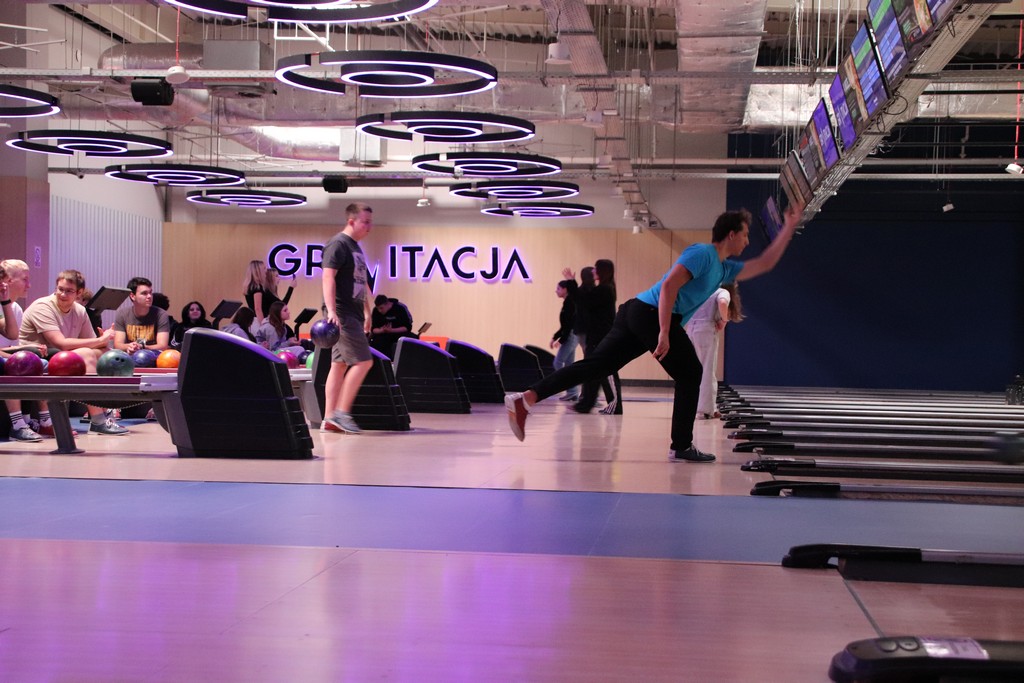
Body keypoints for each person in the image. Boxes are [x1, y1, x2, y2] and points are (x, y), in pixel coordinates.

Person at [504, 206, 801, 463]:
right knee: (690, 372)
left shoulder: (724, 269)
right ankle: (681, 445)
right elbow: (670, 285)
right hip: (650, 313)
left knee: (596, 366)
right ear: (731, 234)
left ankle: (526, 399)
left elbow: (765, 263)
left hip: (637, 312)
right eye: (746, 235)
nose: (748, 241)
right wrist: (664, 332)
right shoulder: (703, 253)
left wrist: (789, 227)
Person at [19, 270, 128, 436]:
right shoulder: (43, 306)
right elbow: (61, 343)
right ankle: (98, 420)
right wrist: (100, 340)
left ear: (79, 293)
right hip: (35, 355)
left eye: (69, 291)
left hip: (60, 355)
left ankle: (110, 409)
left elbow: (93, 344)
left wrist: (104, 342)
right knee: (87, 354)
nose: (63, 294)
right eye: (60, 289)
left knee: (109, 355)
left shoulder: (80, 310)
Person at [321, 202, 374, 434]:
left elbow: (360, 283)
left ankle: (329, 418)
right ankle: (342, 414)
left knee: (339, 364)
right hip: (342, 314)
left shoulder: (355, 248)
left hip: (353, 313)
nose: (369, 227)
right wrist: (331, 311)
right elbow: (328, 277)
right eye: (365, 222)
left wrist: (367, 311)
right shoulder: (338, 244)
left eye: (370, 222)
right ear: (351, 221)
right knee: (364, 362)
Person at [1, 260, 48, 442]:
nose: (29, 285)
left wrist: (5, 302)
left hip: (3, 354)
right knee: (17, 364)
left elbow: (12, 336)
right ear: (8, 281)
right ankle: (18, 425)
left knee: (36, 360)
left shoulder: (14, 308)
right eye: (25, 279)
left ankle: (43, 420)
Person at [684, 283, 743, 420]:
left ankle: (690, 407)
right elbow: (722, 302)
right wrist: (724, 320)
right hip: (706, 330)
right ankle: (705, 410)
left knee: (691, 371)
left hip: (690, 328)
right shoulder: (721, 291)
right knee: (707, 370)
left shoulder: (699, 288)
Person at [573, 258, 622, 415]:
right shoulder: (603, 289)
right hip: (596, 336)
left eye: (595, 268)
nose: (593, 271)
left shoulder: (605, 290)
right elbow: (585, 301)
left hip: (602, 337)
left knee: (607, 371)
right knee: (592, 370)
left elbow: (584, 301)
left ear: (602, 271)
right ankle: (585, 404)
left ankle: (614, 405)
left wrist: (571, 283)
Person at [113, 277, 171, 354]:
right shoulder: (122, 314)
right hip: (128, 356)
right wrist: (130, 347)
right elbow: (118, 345)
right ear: (132, 296)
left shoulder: (161, 314)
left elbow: (162, 346)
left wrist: (142, 347)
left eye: (150, 292)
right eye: (144, 293)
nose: (149, 296)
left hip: (153, 356)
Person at [549, 278, 580, 401]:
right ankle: (572, 392)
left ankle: (571, 390)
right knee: (569, 365)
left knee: (557, 363)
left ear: (565, 289)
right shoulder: (567, 302)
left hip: (571, 336)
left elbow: (569, 324)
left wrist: (561, 340)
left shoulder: (570, 303)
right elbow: (564, 325)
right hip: (572, 335)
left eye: (558, 288)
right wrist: (555, 337)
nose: (556, 291)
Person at [243, 260, 294, 326]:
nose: (266, 270)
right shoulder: (257, 288)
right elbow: (258, 309)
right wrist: (263, 325)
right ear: (258, 271)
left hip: (257, 321)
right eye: (264, 268)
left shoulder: (253, 287)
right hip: (260, 321)